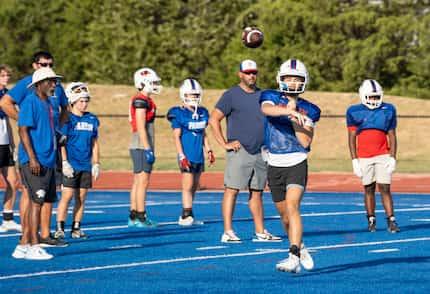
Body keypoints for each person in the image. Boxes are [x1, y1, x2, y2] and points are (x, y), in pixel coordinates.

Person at [0, 51, 68, 247]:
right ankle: (28, 238)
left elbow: (65, 108)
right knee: (32, 195)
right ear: (34, 65)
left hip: (50, 148)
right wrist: (27, 123)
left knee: (47, 193)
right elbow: (5, 103)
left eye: (50, 63)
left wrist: (59, 131)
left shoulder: (53, 89)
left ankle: (44, 234)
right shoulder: (30, 88)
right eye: (43, 64)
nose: (47, 67)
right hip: (34, 149)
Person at [209, 59, 281, 243]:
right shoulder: (231, 95)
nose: (251, 75)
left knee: (257, 192)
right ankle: (227, 231)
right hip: (240, 151)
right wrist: (224, 143)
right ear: (240, 74)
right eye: (248, 72)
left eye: (254, 72)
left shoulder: (263, 95)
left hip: (260, 151)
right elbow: (214, 119)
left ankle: (260, 232)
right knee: (232, 190)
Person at [260, 59, 320, 273]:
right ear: (280, 79)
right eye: (288, 78)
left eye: (297, 79)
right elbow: (267, 110)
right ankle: (300, 246)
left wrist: (296, 116)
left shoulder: (310, 109)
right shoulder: (270, 96)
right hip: (274, 162)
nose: (293, 83)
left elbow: (305, 142)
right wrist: (288, 111)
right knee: (284, 216)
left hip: (296, 160)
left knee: (293, 207)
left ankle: (293, 255)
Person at [12, 67, 62, 260]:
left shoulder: (49, 103)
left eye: (55, 81)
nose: (54, 85)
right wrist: (32, 158)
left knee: (43, 202)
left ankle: (23, 245)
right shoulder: (30, 102)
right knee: (36, 203)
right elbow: (23, 130)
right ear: (39, 84)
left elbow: (47, 129)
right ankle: (34, 245)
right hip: (35, 161)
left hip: (48, 160)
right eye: (50, 81)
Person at [346, 79, 400, 233]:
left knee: (385, 187)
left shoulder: (388, 109)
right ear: (363, 96)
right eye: (371, 97)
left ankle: (391, 220)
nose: (374, 100)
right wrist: (354, 160)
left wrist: (392, 156)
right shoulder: (353, 111)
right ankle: (371, 219)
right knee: (368, 188)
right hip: (364, 156)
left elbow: (392, 135)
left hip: (383, 154)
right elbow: (351, 138)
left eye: (377, 97)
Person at [54, 82, 100, 240]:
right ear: (72, 100)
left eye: (86, 100)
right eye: (81, 100)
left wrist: (96, 163)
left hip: (85, 164)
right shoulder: (67, 119)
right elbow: (62, 143)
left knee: (81, 197)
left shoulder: (92, 118)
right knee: (66, 196)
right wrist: (65, 162)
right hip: (71, 164)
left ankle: (76, 227)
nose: (84, 103)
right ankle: (60, 227)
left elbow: (94, 143)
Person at [167, 78, 215, 226]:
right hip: (186, 154)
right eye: (190, 95)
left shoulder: (203, 112)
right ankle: (185, 214)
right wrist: (181, 155)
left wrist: (209, 149)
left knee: (194, 185)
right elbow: (176, 136)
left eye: (195, 95)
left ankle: (190, 213)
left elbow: (203, 133)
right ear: (183, 95)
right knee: (187, 185)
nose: (193, 98)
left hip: (198, 154)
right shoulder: (178, 113)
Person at [128, 68, 162, 228]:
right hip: (141, 145)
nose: (155, 85)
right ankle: (140, 217)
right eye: (153, 82)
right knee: (142, 181)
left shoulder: (143, 99)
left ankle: (134, 215)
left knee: (137, 181)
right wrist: (148, 148)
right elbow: (141, 126)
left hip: (138, 144)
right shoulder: (141, 100)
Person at [0, 65, 21, 232]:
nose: (6, 78)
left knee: (13, 182)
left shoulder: (7, 95)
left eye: (7, 75)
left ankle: (7, 219)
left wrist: (12, 143)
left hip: (5, 144)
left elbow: (7, 121)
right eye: (2, 75)